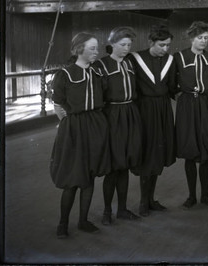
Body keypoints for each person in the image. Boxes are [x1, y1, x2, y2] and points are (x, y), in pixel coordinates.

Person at [50, 33, 111, 238]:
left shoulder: (98, 72)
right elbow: (58, 103)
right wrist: (69, 125)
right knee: (73, 177)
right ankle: (63, 224)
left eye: (97, 48)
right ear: (79, 49)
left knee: (89, 175)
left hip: (95, 125)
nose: (97, 52)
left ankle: (83, 220)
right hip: (74, 129)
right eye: (92, 48)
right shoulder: (65, 74)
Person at [94, 27, 142, 225]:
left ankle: (122, 209)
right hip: (112, 115)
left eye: (129, 45)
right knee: (113, 167)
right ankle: (107, 211)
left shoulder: (130, 63)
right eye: (122, 45)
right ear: (112, 44)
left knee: (125, 165)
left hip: (130, 113)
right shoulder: (101, 65)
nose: (126, 49)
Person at [130, 24, 177, 216]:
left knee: (158, 154)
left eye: (167, 45)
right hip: (144, 110)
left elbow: (172, 85)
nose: (165, 49)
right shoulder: (135, 58)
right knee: (147, 154)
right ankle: (143, 201)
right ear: (151, 42)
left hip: (163, 109)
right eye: (161, 45)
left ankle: (151, 199)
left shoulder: (170, 60)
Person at [174, 21, 208, 209]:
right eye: (200, 37)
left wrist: (205, 93)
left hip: (207, 104)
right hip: (187, 105)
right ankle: (191, 195)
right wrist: (184, 96)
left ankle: (205, 195)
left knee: (206, 151)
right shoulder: (179, 57)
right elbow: (171, 82)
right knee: (190, 151)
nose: (203, 41)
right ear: (192, 38)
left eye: (206, 38)